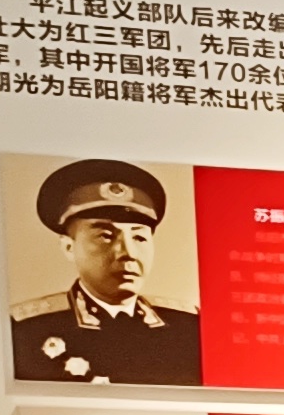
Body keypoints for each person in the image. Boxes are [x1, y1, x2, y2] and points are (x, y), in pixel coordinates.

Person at [11, 159, 202, 385]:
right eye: (106, 236)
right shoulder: (26, 329)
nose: (128, 253)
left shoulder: (189, 327)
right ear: (69, 247)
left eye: (139, 238)